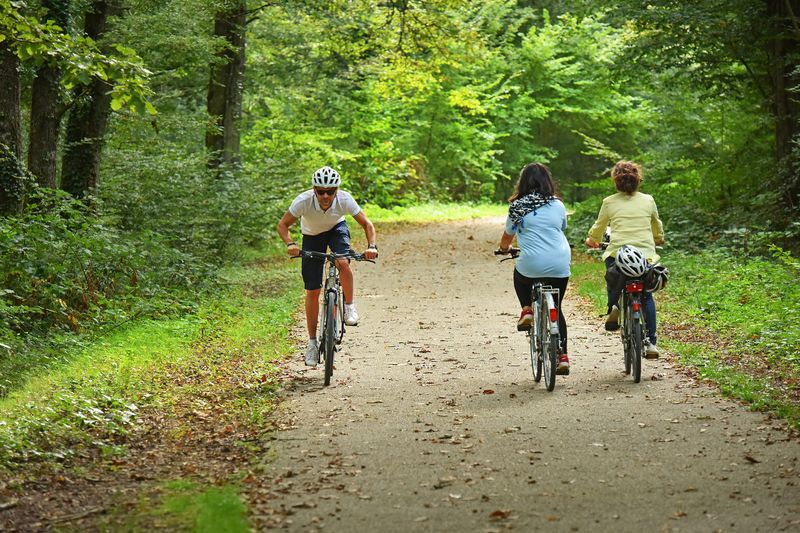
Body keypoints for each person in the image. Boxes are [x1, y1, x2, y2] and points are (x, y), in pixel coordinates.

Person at [277, 166, 379, 367]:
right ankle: (312, 344)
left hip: (336, 229)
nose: (325, 195)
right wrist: (290, 244)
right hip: (311, 236)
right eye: (320, 191)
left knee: (342, 260)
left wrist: (372, 247)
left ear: (337, 190)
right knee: (313, 291)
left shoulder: (345, 199)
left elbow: (367, 224)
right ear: (314, 189)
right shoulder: (303, 201)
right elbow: (283, 225)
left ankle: (349, 307)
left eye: (330, 191)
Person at [497, 163, 572, 375]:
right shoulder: (558, 205)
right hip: (559, 264)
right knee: (556, 307)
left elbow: (506, 238)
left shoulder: (518, 206)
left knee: (519, 275)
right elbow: (561, 227)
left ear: (522, 182)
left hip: (531, 265)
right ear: (547, 181)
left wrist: (505, 249)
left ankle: (527, 309)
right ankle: (563, 356)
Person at [585, 160, 665, 358]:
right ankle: (652, 343)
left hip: (618, 255)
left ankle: (614, 306)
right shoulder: (648, 200)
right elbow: (656, 224)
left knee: (614, 280)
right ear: (638, 180)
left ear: (616, 181)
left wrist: (593, 240)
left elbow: (599, 226)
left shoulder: (609, 202)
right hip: (646, 256)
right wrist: (658, 238)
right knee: (646, 296)